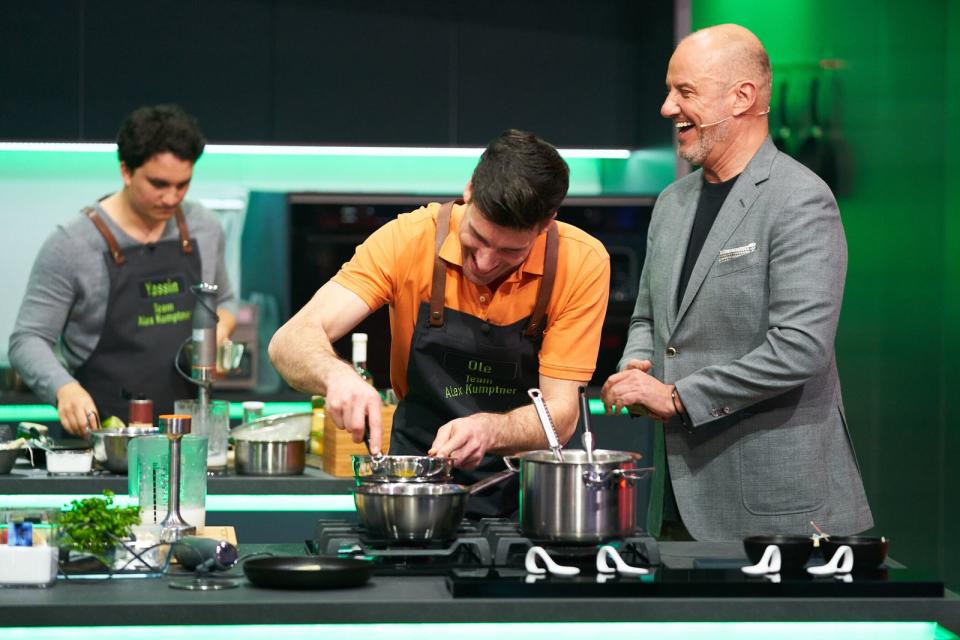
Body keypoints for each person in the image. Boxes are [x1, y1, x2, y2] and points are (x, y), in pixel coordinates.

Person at [600, 24, 873, 541]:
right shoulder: (671, 204)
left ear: (742, 97)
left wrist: (677, 398)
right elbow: (648, 317)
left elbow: (799, 349)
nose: (666, 107)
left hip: (777, 514)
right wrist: (637, 363)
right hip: (677, 504)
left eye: (685, 92)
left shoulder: (799, 199)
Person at [269, 129, 610, 516]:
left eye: (509, 251)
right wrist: (337, 376)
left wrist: (490, 430)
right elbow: (288, 341)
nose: (483, 263)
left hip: (524, 492)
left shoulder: (580, 262)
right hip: (413, 486)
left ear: (546, 224)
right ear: (469, 190)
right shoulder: (407, 239)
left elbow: (561, 417)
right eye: (476, 239)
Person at [9, 104, 236, 436]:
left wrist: (219, 336)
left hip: (189, 436)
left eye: (183, 184)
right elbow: (27, 339)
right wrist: (63, 388)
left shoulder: (204, 227)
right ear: (126, 171)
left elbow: (225, 302)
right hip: (103, 437)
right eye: (158, 184)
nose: (172, 197)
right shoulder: (72, 244)